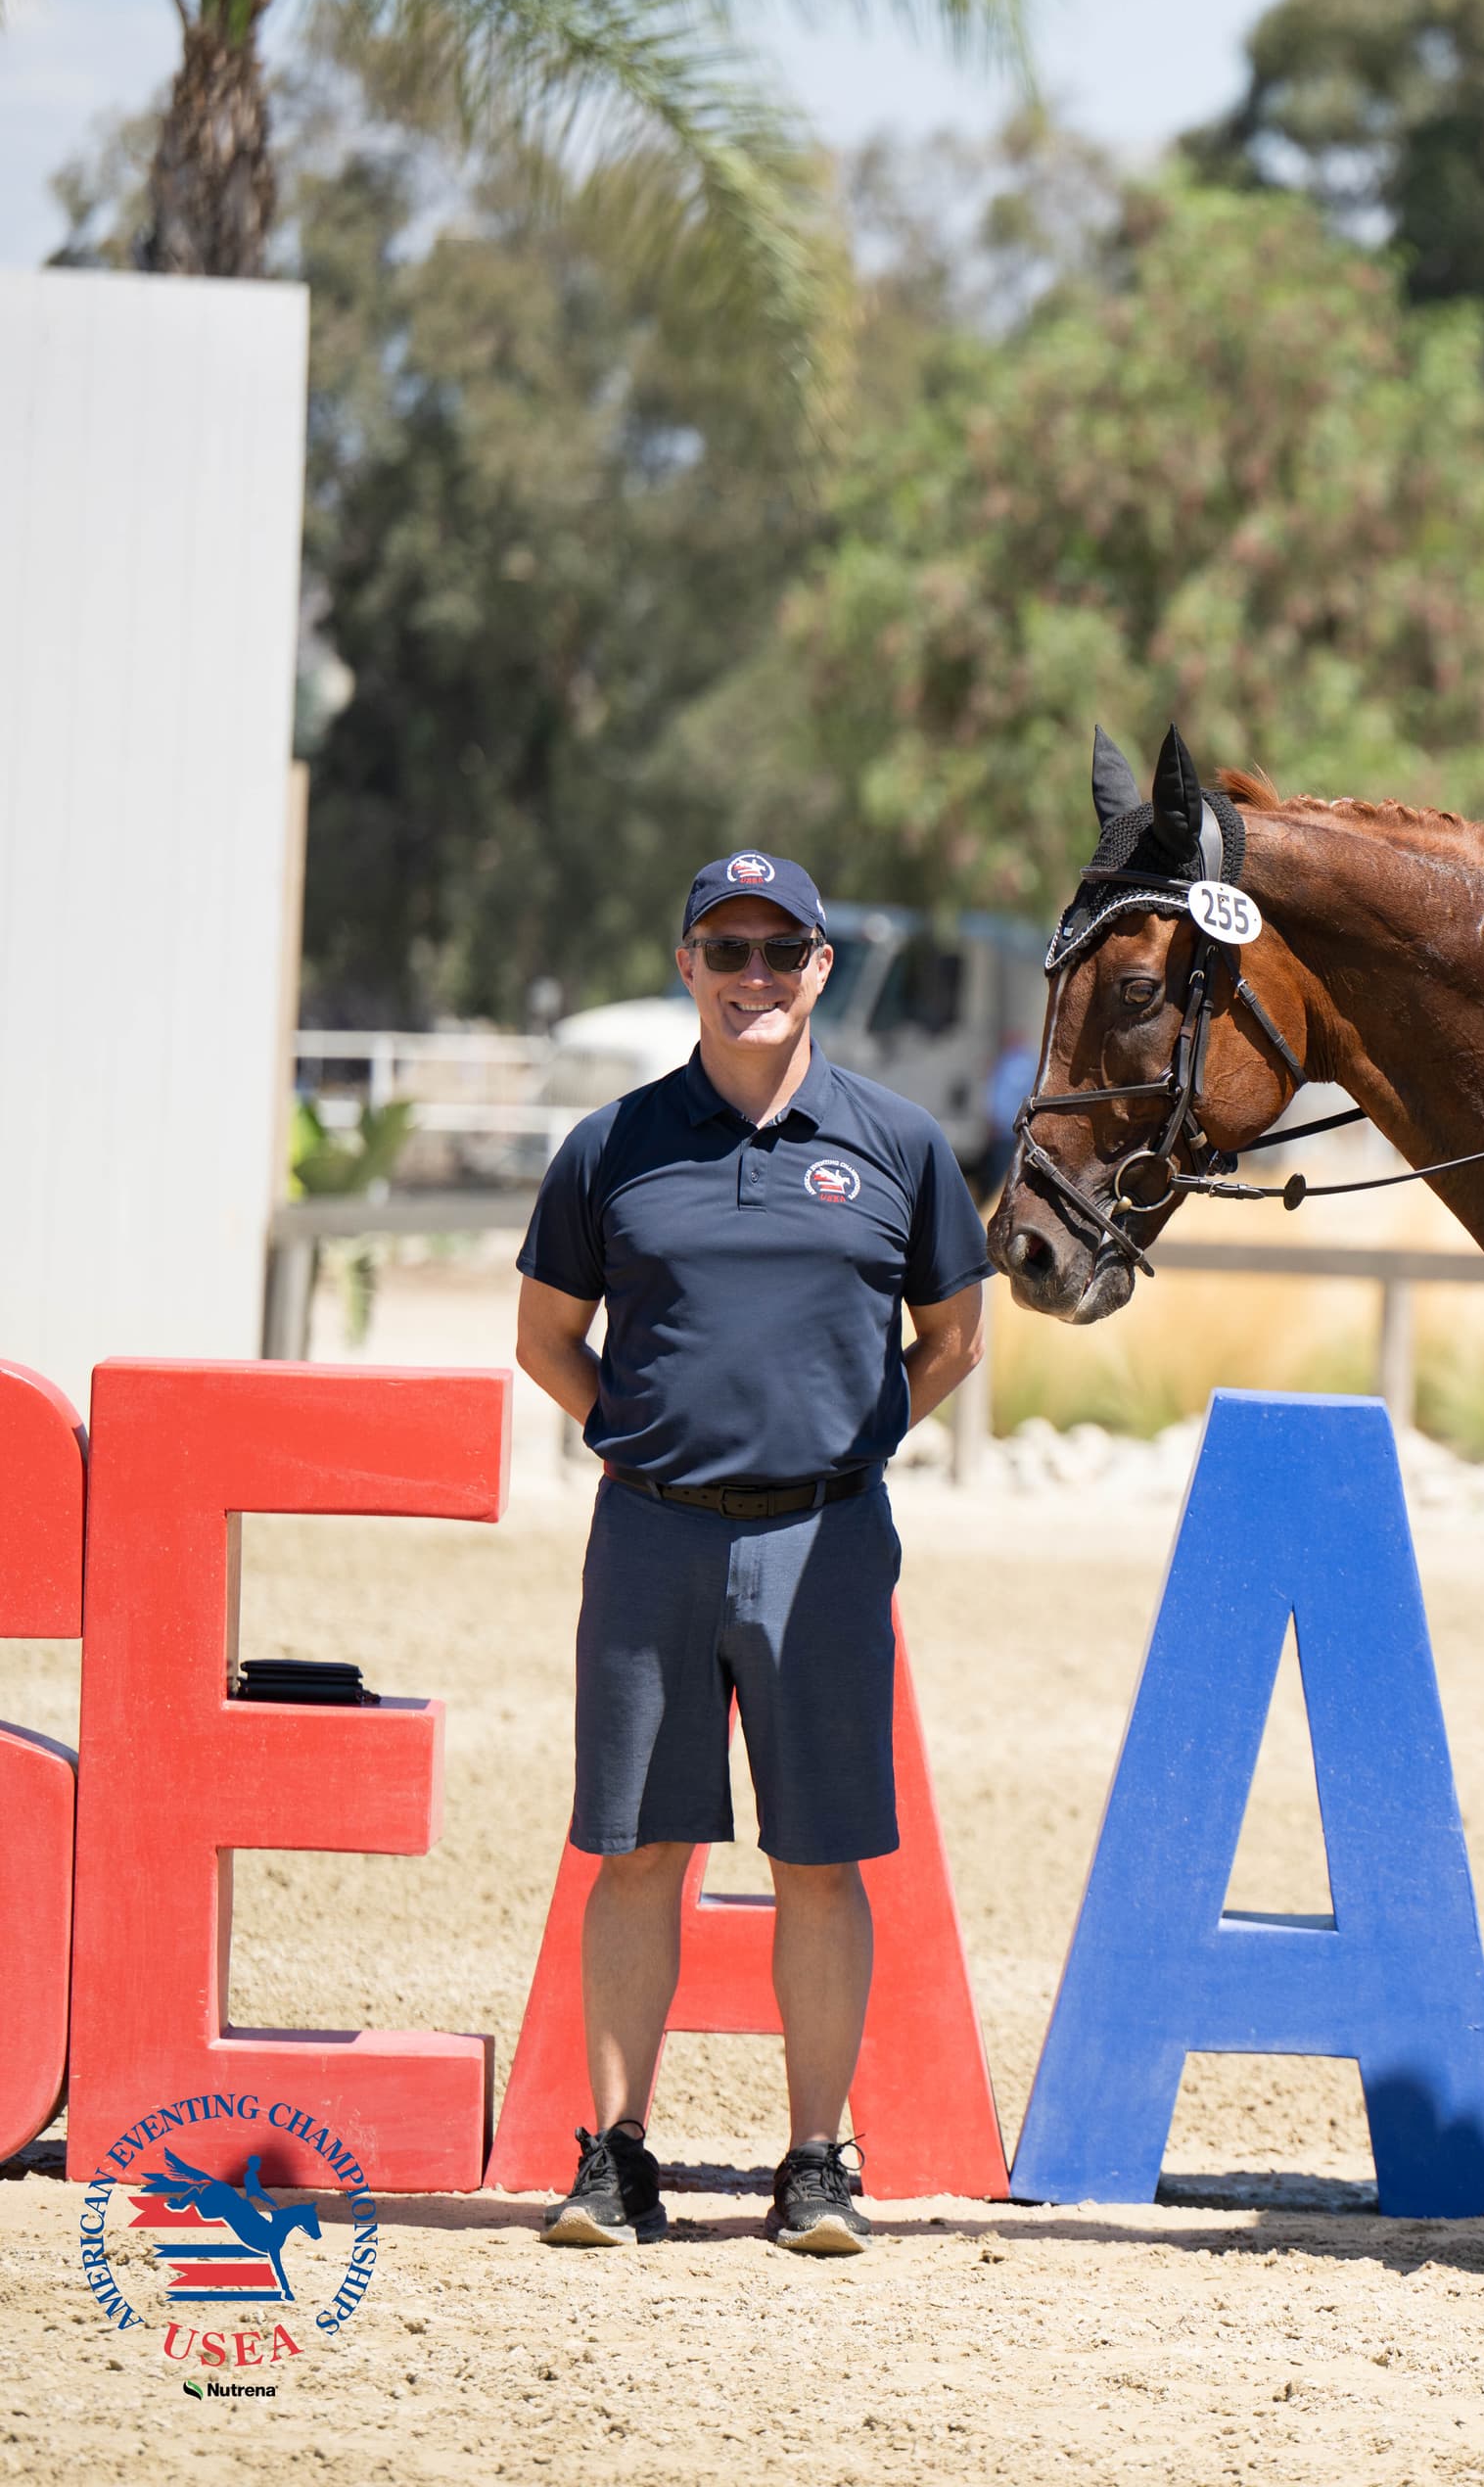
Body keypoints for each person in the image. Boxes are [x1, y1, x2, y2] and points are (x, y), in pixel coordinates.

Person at [514, 850, 990, 2256]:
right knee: (641, 1849)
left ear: (821, 970)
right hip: (651, 1538)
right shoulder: (611, 1146)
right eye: (727, 951)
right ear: (687, 968)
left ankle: (815, 2164)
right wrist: (641, 1439)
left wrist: (859, 1431)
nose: (754, 978)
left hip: (827, 1541)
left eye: (782, 953)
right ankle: (612, 2157)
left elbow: (958, 1335)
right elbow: (546, 1339)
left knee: (821, 1859)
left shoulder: (898, 1144)